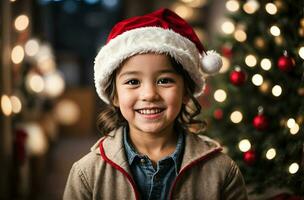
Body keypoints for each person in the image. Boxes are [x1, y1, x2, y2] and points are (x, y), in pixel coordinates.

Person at [63, 8, 248, 200]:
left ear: (186, 91)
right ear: (115, 95)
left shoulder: (222, 171)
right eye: (133, 82)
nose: (149, 95)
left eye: (164, 80)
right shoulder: (87, 174)